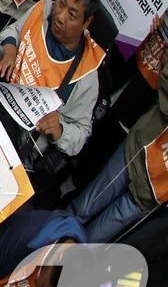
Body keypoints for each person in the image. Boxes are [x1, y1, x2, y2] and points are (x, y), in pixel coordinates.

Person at [0, 0, 107, 173]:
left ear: (87, 22)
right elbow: (13, 30)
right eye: (61, 2)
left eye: (72, 14)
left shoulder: (86, 76)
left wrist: (61, 130)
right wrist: (10, 47)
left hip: (16, 144)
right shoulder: (42, 10)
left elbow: (81, 133)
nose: (60, 16)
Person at [72, 53, 168, 242]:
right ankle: (34, 251)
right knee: (81, 210)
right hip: (137, 152)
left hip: (153, 193)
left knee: (89, 242)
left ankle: (57, 261)